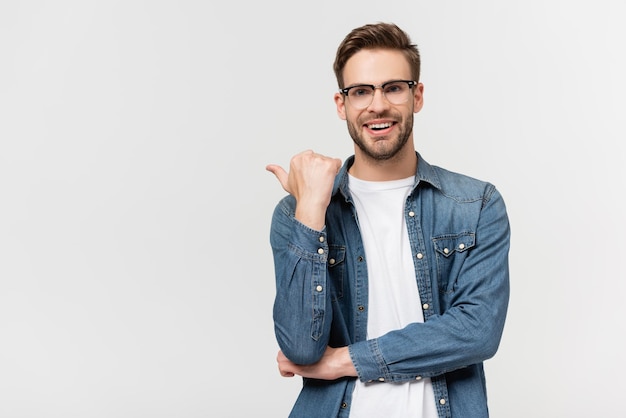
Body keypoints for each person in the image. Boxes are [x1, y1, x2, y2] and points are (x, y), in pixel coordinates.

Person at [266, 22, 510, 418]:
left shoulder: (475, 205)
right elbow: (300, 347)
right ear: (341, 104)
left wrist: (344, 361)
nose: (377, 105)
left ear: (417, 96)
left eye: (392, 87)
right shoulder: (297, 213)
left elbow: (477, 331)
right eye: (360, 91)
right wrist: (311, 209)